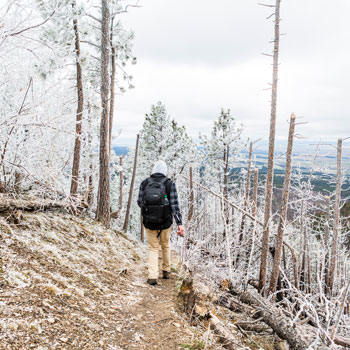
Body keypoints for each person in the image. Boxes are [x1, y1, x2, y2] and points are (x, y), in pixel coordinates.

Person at [137, 160, 184, 286]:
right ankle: (166, 271)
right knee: (165, 245)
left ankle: (152, 276)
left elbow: (139, 202)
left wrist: (151, 211)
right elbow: (174, 205)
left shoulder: (145, 183)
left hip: (149, 222)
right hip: (165, 222)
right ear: (165, 171)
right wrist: (179, 223)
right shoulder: (169, 184)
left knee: (153, 248)